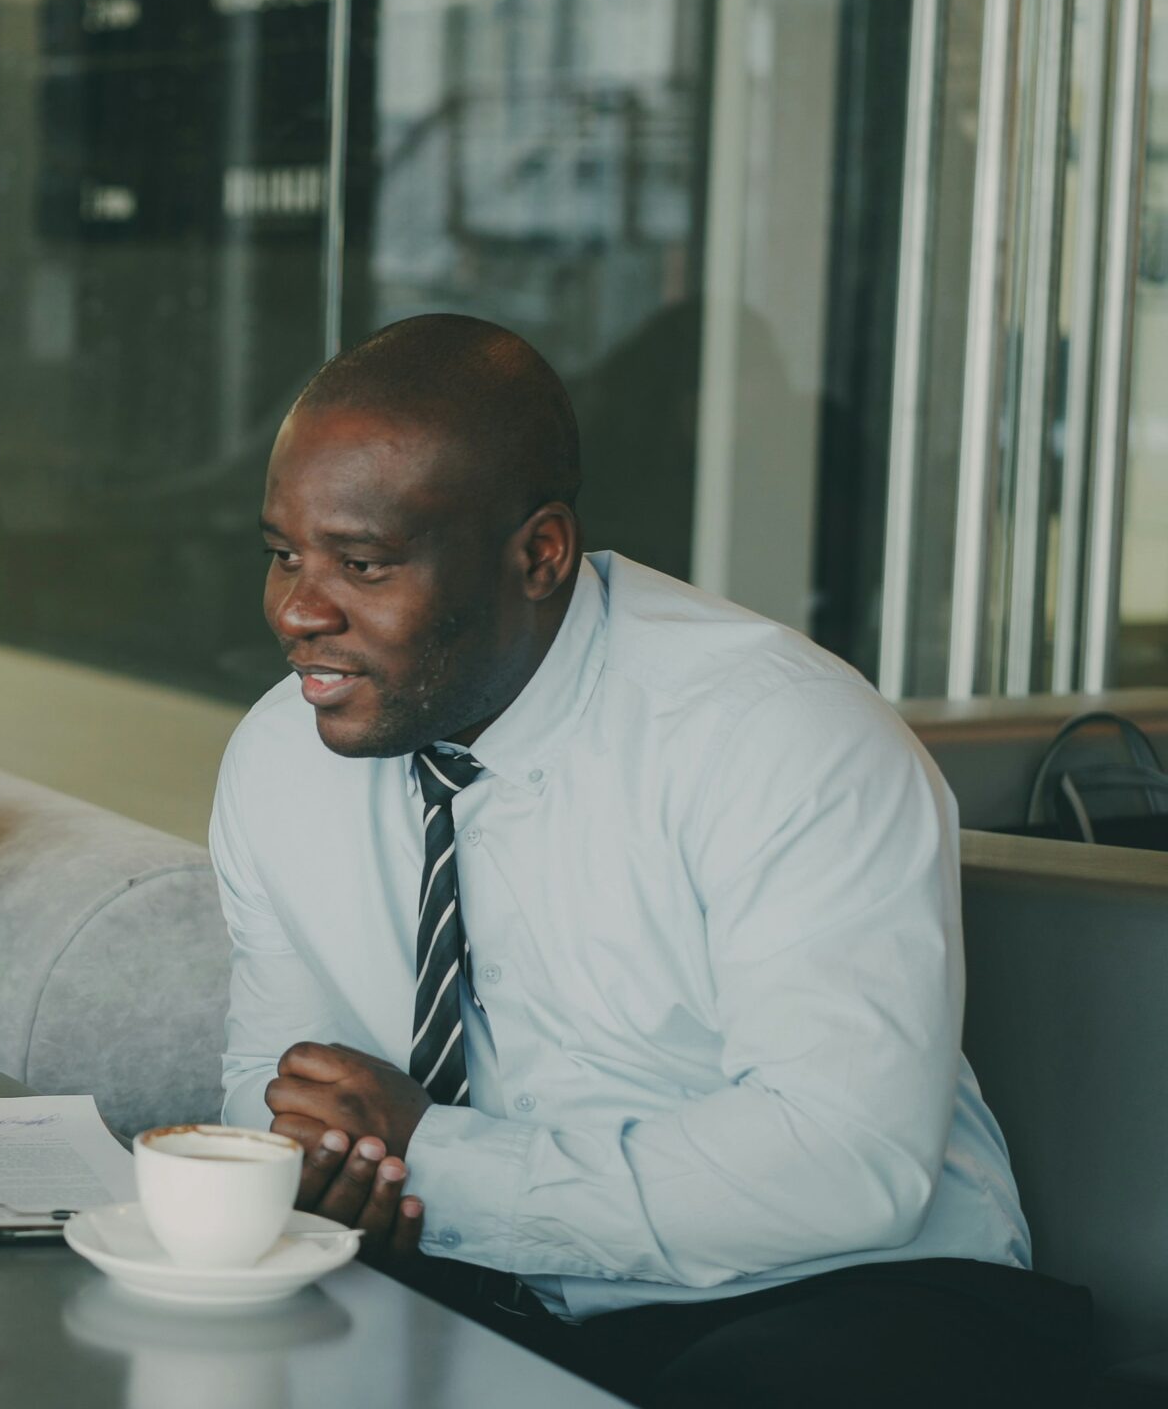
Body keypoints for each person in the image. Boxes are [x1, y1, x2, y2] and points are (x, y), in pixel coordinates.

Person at [214, 314, 1090, 1406]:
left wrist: (436, 1164)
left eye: (363, 564)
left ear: (538, 553)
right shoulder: (277, 760)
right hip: (475, 1285)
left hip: (847, 1299)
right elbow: (276, 1090)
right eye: (283, 556)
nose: (297, 610)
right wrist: (334, 1173)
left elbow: (838, 1164)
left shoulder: (776, 736)